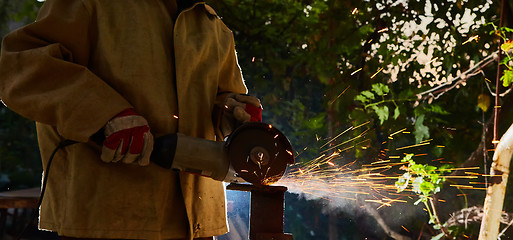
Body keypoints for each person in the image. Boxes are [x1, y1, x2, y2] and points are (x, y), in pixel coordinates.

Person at [0, 0, 261, 239]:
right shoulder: (93, 4)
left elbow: (224, 96)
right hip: (104, 220)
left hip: (196, 224)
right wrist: (106, 113)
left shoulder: (211, 24)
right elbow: (20, 67)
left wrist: (234, 114)